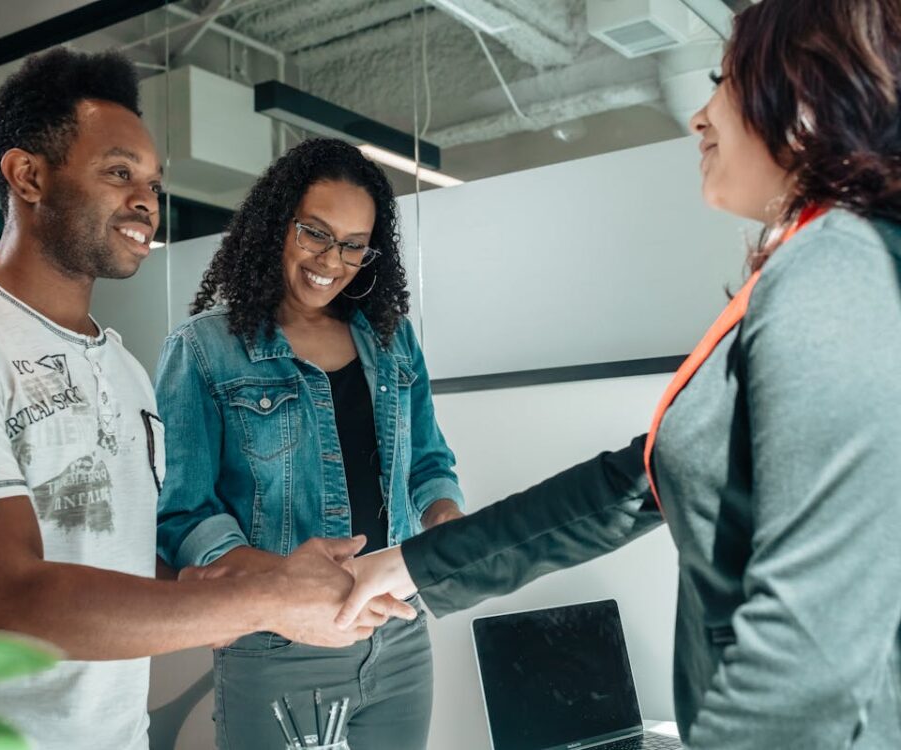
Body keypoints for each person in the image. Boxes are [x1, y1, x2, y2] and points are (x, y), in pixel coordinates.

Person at [337, 1, 901, 748]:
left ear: (804, 97)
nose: (699, 118)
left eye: (722, 82)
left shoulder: (838, 268)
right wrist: (411, 564)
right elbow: (632, 485)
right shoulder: (821, 263)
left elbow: (812, 654)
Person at [0, 49, 411, 750]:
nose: (146, 203)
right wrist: (270, 601)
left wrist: (278, 573)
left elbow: (137, 564)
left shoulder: (123, 368)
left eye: (154, 184)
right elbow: (4, 602)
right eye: (119, 173)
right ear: (28, 175)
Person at [154, 137, 465, 749]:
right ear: (277, 226)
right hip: (277, 640)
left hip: (397, 636)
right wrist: (283, 585)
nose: (333, 259)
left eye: (354, 245)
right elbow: (183, 513)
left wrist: (446, 517)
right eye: (315, 233)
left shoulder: (392, 339)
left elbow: (429, 462)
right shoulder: (202, 350)